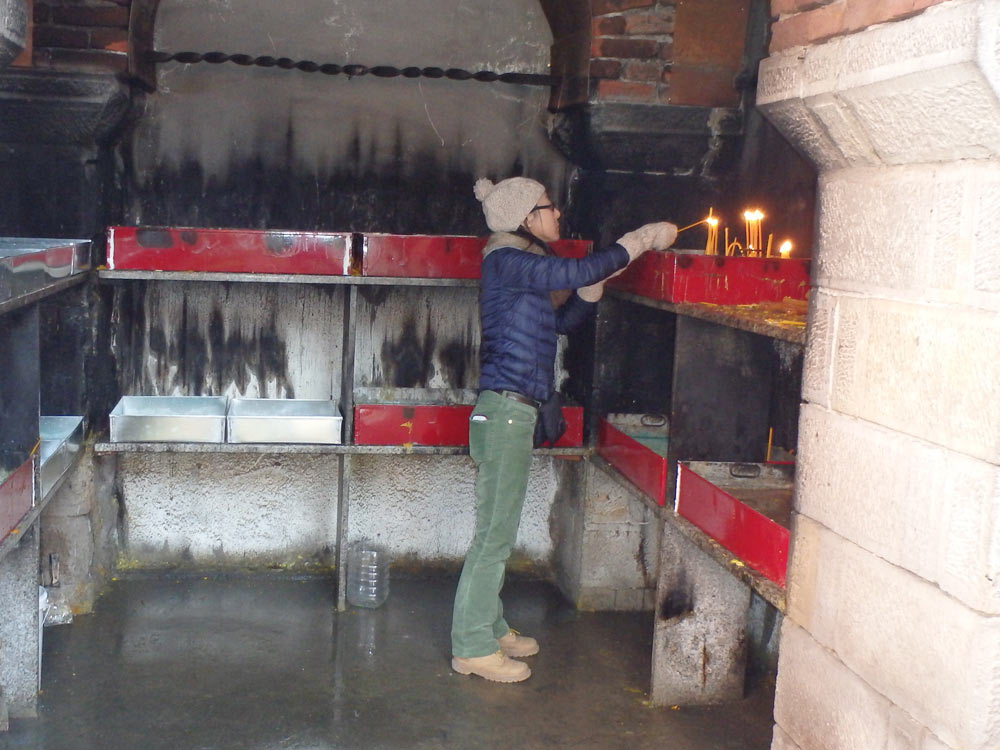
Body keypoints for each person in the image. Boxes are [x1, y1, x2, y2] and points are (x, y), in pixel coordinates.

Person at [450, 176, 677, 683]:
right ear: (527, 216)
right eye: (551, 209)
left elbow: (557, 324)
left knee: (498, 535)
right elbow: (575, 268)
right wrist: (637, 241)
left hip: (514, 411)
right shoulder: (506, 259)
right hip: (505, 412)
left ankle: (489, 625)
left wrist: (589, 295)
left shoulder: (519, 268)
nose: (558, 217)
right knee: (493, 539)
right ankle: (470, 645)